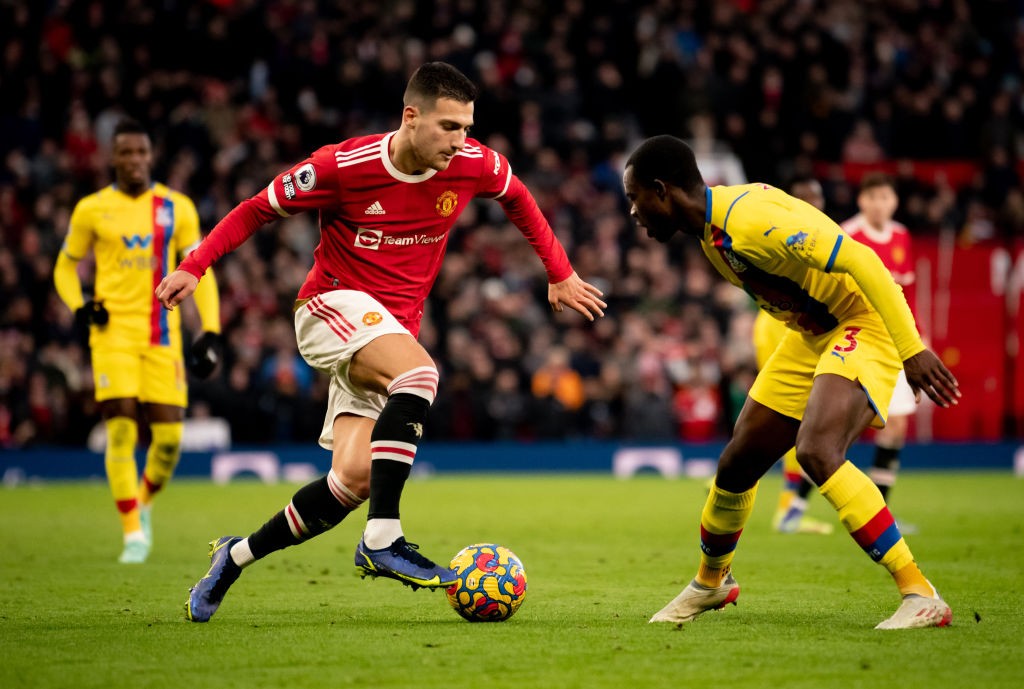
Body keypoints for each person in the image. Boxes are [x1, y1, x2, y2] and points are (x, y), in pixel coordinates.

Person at [156, 62, 606, 622]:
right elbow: (256, 210)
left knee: (351, 480)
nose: (460, 141)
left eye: (466, 127)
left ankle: (234, 557)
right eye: (448, 127)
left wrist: (559, 272)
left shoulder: (473, 164)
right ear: (410, 116)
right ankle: (383, 539)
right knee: (421, 376)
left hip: (387, 333)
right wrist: (195, 267)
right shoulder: (340, 166)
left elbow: (519, 198)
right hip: (330, 306)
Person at [622, 135, 959, 629]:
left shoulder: (752, 220)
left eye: (635, 198)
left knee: (818, 451)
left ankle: (920, 594)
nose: (633, 212)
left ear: (662, 190)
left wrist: (911, 348)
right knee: (738, 463)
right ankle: (711, 584)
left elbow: (864, 261)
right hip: (811, 335)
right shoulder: (710, 238)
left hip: (861, 322)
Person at [54, 118, 223, 564]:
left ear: (151, 156)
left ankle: (142, 502)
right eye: (125, 153)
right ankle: (132, 532)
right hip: (111, 335)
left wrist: (210, 330)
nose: (134, 160)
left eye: (141, 152)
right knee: (123, 427)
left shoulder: (177, 207)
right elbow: (64, 267)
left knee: (168, 440)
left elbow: (198, 268)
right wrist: (80, 306)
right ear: (113, 157)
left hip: (161, 335)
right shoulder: (91, 209)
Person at [841, 173, 918, 527]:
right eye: (872, 197)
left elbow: (907, 294)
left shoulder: (902, 236)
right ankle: (799, 498)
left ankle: (879, 513)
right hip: (858, 339)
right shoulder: (848, 235)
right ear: (861, 201)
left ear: (894, 201)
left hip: (895, 340)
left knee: (896, 425)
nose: (879, 204)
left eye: (885, 197)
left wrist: (918, 337)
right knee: (844, 428)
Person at [756, 176, 832, 534]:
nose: (816, 203)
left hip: (777, 320)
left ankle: (787, 506)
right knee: (793, 415)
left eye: (818, 196)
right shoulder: (797, 233)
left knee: (788, 415)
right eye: (810, 197)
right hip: (782, 324)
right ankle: (789, 510)